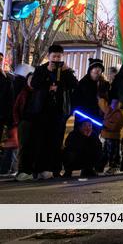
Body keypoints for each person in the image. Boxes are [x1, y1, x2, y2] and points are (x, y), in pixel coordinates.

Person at [26, 44, 77, 179]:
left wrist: (67, 71)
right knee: (40, 140)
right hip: (42, 112)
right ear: (48, 56)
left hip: (59, 112)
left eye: (59, 56)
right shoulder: (41, 69)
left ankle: (53, 169)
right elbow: (34, 84)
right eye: (54, 56)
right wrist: (48, 84)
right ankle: (38, 169)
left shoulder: (65, 70)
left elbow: (74, 85)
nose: (56, 59)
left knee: (56, 141)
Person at [72, 58, 110, 137]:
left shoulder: (104, 85)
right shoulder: (83, 83)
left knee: (94, 138)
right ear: (90, 70)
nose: (97, 70)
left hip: (97, 118)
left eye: (99, 68)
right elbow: (75, 99)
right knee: (81, 137)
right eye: (95, 67)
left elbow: (107, 100)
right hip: (83, 117)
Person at [101, 99, 123, 174]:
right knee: (107, 152)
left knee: (114, 153)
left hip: (114, 136)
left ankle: (114, 167)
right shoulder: (109, 111)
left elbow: (117, 125)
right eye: (113, 103)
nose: (114, 104)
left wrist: (106, 125)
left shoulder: (119, 114)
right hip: (107, 135)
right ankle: (106, 167)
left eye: (116, 103)